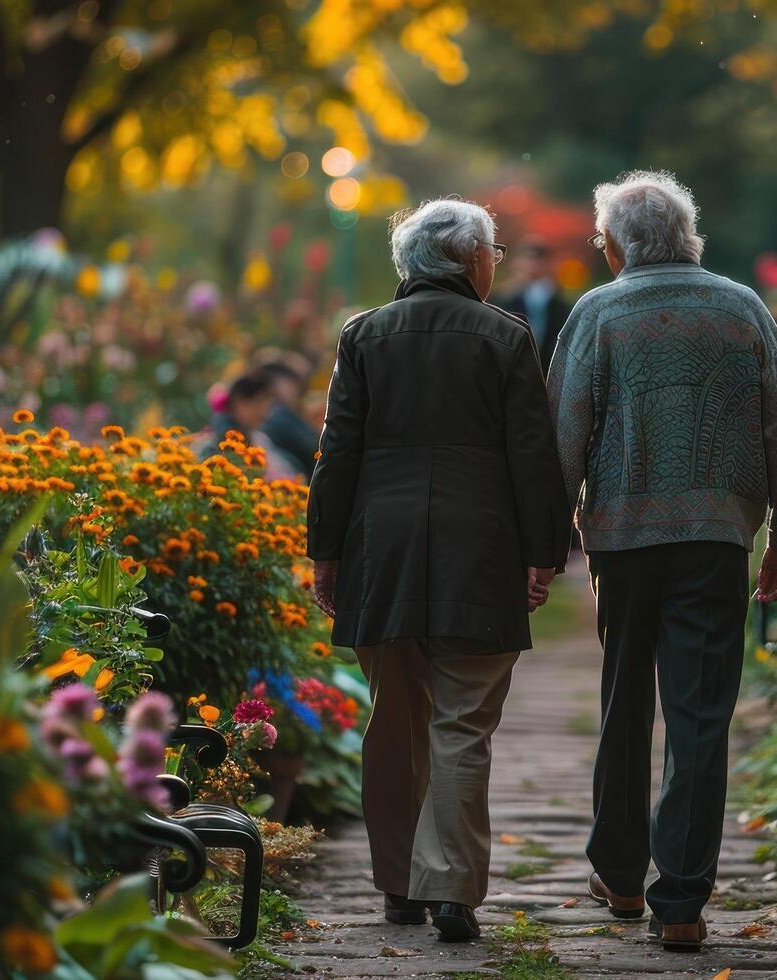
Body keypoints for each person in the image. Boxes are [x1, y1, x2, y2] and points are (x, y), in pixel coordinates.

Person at [546, 170, 777, 952]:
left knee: (624, 701)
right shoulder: (740, 308)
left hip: (624, 542)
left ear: (615, 245)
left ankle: (622, 876)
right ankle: (683, 902)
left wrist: (543, 543)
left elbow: (563, 430)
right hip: (714, 539)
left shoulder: (597, 313)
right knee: (700, 715)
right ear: (686, 236)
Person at [307, 198, 570, 943]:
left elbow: (339, 454)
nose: (495, 263)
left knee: (393, 719)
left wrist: (324, 552)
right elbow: (531, 452)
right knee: (462, 724)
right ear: (469, 261)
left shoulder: (364, 334)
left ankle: (397, 884)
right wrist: (541, 553)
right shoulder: (504, 335)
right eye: (490, 252)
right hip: (477, 549)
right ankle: (450, 886)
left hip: (379, 549)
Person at [495, 235, 571, 375]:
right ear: (517, 262)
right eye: (528, 259)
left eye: (538, 260)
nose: (532, 266)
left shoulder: (562, 306)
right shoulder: (500, 301)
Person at [209, 371, 298, 480]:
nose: (263, 413)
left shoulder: (258, 437)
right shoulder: (221, 442)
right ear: (239, 402)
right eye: (258, 404)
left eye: (267, 407)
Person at [252, 352, 320, 476]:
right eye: (291, 383)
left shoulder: (283, 412)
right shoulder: (276, 415)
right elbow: (311, 447)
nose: (296, 390)